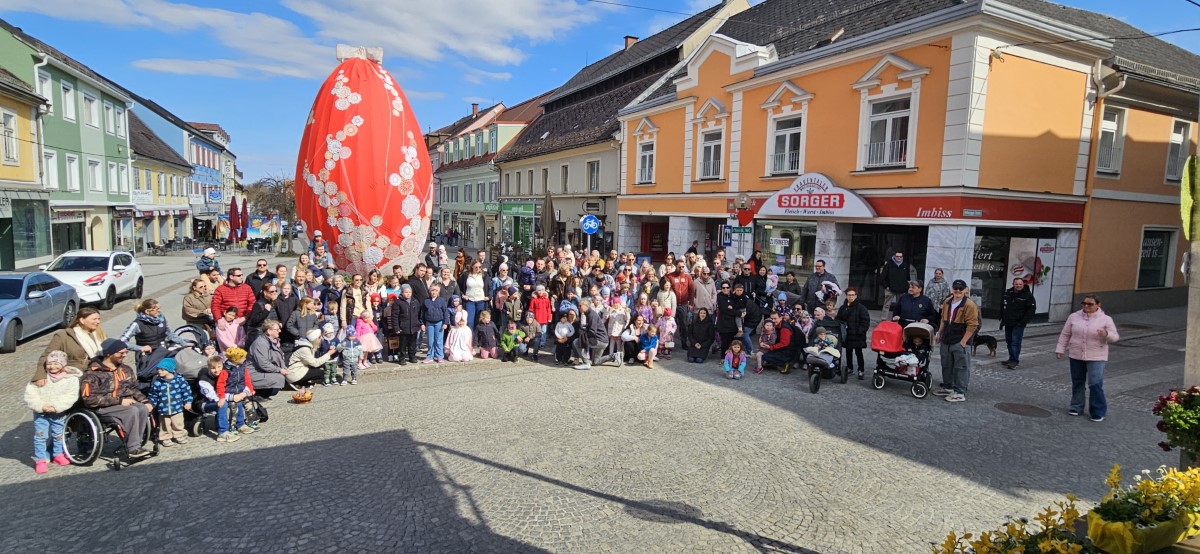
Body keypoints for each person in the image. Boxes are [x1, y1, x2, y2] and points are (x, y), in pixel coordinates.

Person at [81, 339, 153, 458]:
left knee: (142, 408)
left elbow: (133, 389)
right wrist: (119, 401)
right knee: (132, 410)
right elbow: (89, 399)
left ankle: (136, 444)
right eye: (121, 353)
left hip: (123, 403)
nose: (124, 355)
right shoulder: (92, 373)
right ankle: (133, 449)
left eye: (126, 352)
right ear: (109, 354)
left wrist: (145, 401)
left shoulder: (125, 369)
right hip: (102, 407)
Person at [1056, 294, 1118, 422]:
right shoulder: (1074, 317)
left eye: (1090, 304)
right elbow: (1065, 334)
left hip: (1097, 356)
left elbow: (1115, 337)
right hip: (1076, 354)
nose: (1086, 306)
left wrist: (1106, 334)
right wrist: (1060, 348)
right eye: (1084, 303)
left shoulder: (1106, 319)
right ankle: (1076, 406)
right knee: (1077, 382)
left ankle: (1098, 411)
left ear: (1098, 305)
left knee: (1095, 383)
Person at [24, 351, 81, 473]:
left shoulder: (71, 379)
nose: (52, 366)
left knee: (59, 435)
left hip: (58, 412)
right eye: (49, 364)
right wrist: (41, 406)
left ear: (63, 364)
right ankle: (40, 460)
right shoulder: (40, 378)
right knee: (40, 436)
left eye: (56, 363)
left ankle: (58, 454)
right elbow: (30, 394)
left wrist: (56, 407)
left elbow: (70, 396)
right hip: (41, 412)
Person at [933, 280, 980, 403]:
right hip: (947, 338)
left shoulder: (970, 305)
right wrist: (939, 333)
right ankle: (948, 387)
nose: (958, 290)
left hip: (960, 340)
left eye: (960, 288)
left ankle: (960, 392)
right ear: (952, 289)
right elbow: (943, 319)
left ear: (965, 290)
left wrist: (964, 341)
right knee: (946, 364)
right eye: (955, 288)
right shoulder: (947, 301)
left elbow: (973, 324)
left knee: (961, 367)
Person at [35, 307, 105, 383]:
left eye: (99, 319)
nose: (98, 321)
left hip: (97, 373)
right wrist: (40, 376)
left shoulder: (99, 334)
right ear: (82, 320)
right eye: (94, 319)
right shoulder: (63, 336)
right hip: (74, 376)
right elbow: (46, 355)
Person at [196, 353, 253, 442]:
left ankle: (240, 424)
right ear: (208, 367)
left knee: (237, 400)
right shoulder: (204, 379)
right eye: (213, 368)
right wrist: (232, 397)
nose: (217, 370)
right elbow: (213, 397)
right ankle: (222, 432)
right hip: (204, 402)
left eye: (219, 367)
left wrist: (240, 394)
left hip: (222, 397)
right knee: (223, 404)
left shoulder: (224, 373)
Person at [146, 358, 193, 448]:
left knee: (178, 423)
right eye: (158, 369)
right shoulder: (158, 382)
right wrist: (151, 404)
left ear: (169, 370)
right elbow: (153, 394)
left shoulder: (179, 380)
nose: (159, 371)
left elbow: (186, 391)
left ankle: (178, 435)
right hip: (163, 408)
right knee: (164, 424)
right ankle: (165, 437)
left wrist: (188, 402)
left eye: (162, 370)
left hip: (177, 407)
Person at [1000, 278, 1037, 369]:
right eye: (1017, 284)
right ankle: (1011, 358)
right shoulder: (1008, 293)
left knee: (1015, 342)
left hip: (1019, 323)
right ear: (1013, 284)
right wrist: (1002, 319)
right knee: (1009, 341)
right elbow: (1003, 306)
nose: (1018, 286)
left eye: (1020, 284)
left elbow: (1031, 310)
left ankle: (1015, 361)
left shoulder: (1027, 295)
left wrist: (1023, 321)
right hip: (1008, 322)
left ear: (1023, 285)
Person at [247, 320, 288, 399]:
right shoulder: (260, 343)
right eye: (277, 329)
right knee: (278, 379)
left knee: (280, 378)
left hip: (263, 371)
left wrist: (283, 367)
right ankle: (256, 394)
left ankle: (263, 393)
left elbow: (278, 357)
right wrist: (279, 370)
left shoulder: (273, 342)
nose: (280, 331)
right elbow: (263, 364)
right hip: (254, 373)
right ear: (269, 331)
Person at [837, 287, 871, 379]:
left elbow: (865, 321)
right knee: (848, 352)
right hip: (847, 335)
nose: (851, 297)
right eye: (849, 295)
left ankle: (861, 370)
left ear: (856, 296)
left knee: (859, 353)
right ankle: (850, 368)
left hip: (857, 335)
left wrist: (859, 331)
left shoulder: (861, 308)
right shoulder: (843, 308)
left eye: (852, 295)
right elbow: (838, 320)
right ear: (846, 296)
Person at [389, 284, 421, 365]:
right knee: (402, 345)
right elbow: (395, 316)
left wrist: (419, 324)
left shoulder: (415, 301)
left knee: (413, 344)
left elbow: (418, 313)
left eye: (409, 292)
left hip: (414, 327)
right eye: (406, 292)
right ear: (402, 293)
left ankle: (412, 356)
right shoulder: (398, 302)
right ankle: (402, 357)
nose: (408, 294)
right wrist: (396, 327)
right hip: (403, 327)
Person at [421, 283, 450, 363]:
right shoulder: (426, 301)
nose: (434, 292)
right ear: (430, 291)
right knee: (430, 341)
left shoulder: (442, 300)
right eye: (432, 290)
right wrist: (422, 323)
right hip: (429, 323)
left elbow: (445, 312)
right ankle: (430, 356)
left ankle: (439, 356)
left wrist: (445, 323)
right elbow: (422, 313)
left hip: (439, 323)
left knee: (438, 340)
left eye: (436, 290)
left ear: (438, 291)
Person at [574, 299, 607, 370]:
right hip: (602, 339)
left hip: (599, 340)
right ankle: (614, 356)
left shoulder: (592, 315)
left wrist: (582, 335)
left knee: (576, 342)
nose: (579, 307)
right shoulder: (587, 313)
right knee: (595, 362)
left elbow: (592, 331)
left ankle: (586, 363)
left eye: (580, 305)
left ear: (587, 306)